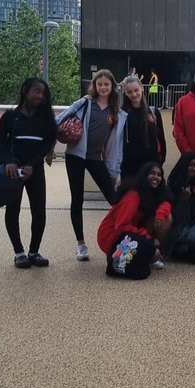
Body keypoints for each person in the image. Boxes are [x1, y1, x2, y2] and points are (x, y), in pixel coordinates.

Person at [59, 70, 125, 262]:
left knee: (113, 198)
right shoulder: (85, 103)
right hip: (75, 156)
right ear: (94, 86)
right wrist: (48, 148)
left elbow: (113, 143)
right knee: (77, 198)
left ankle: (122, 238)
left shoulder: (115, 111)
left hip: (96, 158)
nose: (103, 87)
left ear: (112, 86)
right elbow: (59, 119)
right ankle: (81, 244)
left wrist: (115, 169)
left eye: (106, 84)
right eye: (100, 84)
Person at [0, 77, 57, 268]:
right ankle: (19, 253)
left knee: (39, 211)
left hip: (34, 170)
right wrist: (9, 162)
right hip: (14, 171)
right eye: (36, 91)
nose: (40, 96)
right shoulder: (10, 116)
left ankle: (34, 252)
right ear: (25, 91)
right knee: (13, 210)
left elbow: (46, 144)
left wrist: (32, 165)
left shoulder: (45, 118)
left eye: (43, 93)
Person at [97, 162, 172, 277]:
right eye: (152, 173)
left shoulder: (151, 193)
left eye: (159, 175)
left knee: (167, 217)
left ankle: (143, 254)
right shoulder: (133, 195)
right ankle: (123, 254)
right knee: (155, 254)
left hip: (130, 231)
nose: (156, 177)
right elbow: (121, 226)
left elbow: (165, 203)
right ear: (144, 175)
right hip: (111, 235)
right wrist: (147, 237)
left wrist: (160, 215)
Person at [120, 74, 166, 181]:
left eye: (136, 90)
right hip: (129, 167)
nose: (134, 94)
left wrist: (160, 162)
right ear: (126, 93)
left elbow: (161, 139)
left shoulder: (154, 112)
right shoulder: (122, 114)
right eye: (130, 92)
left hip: (150, 164)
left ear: (142, 88)